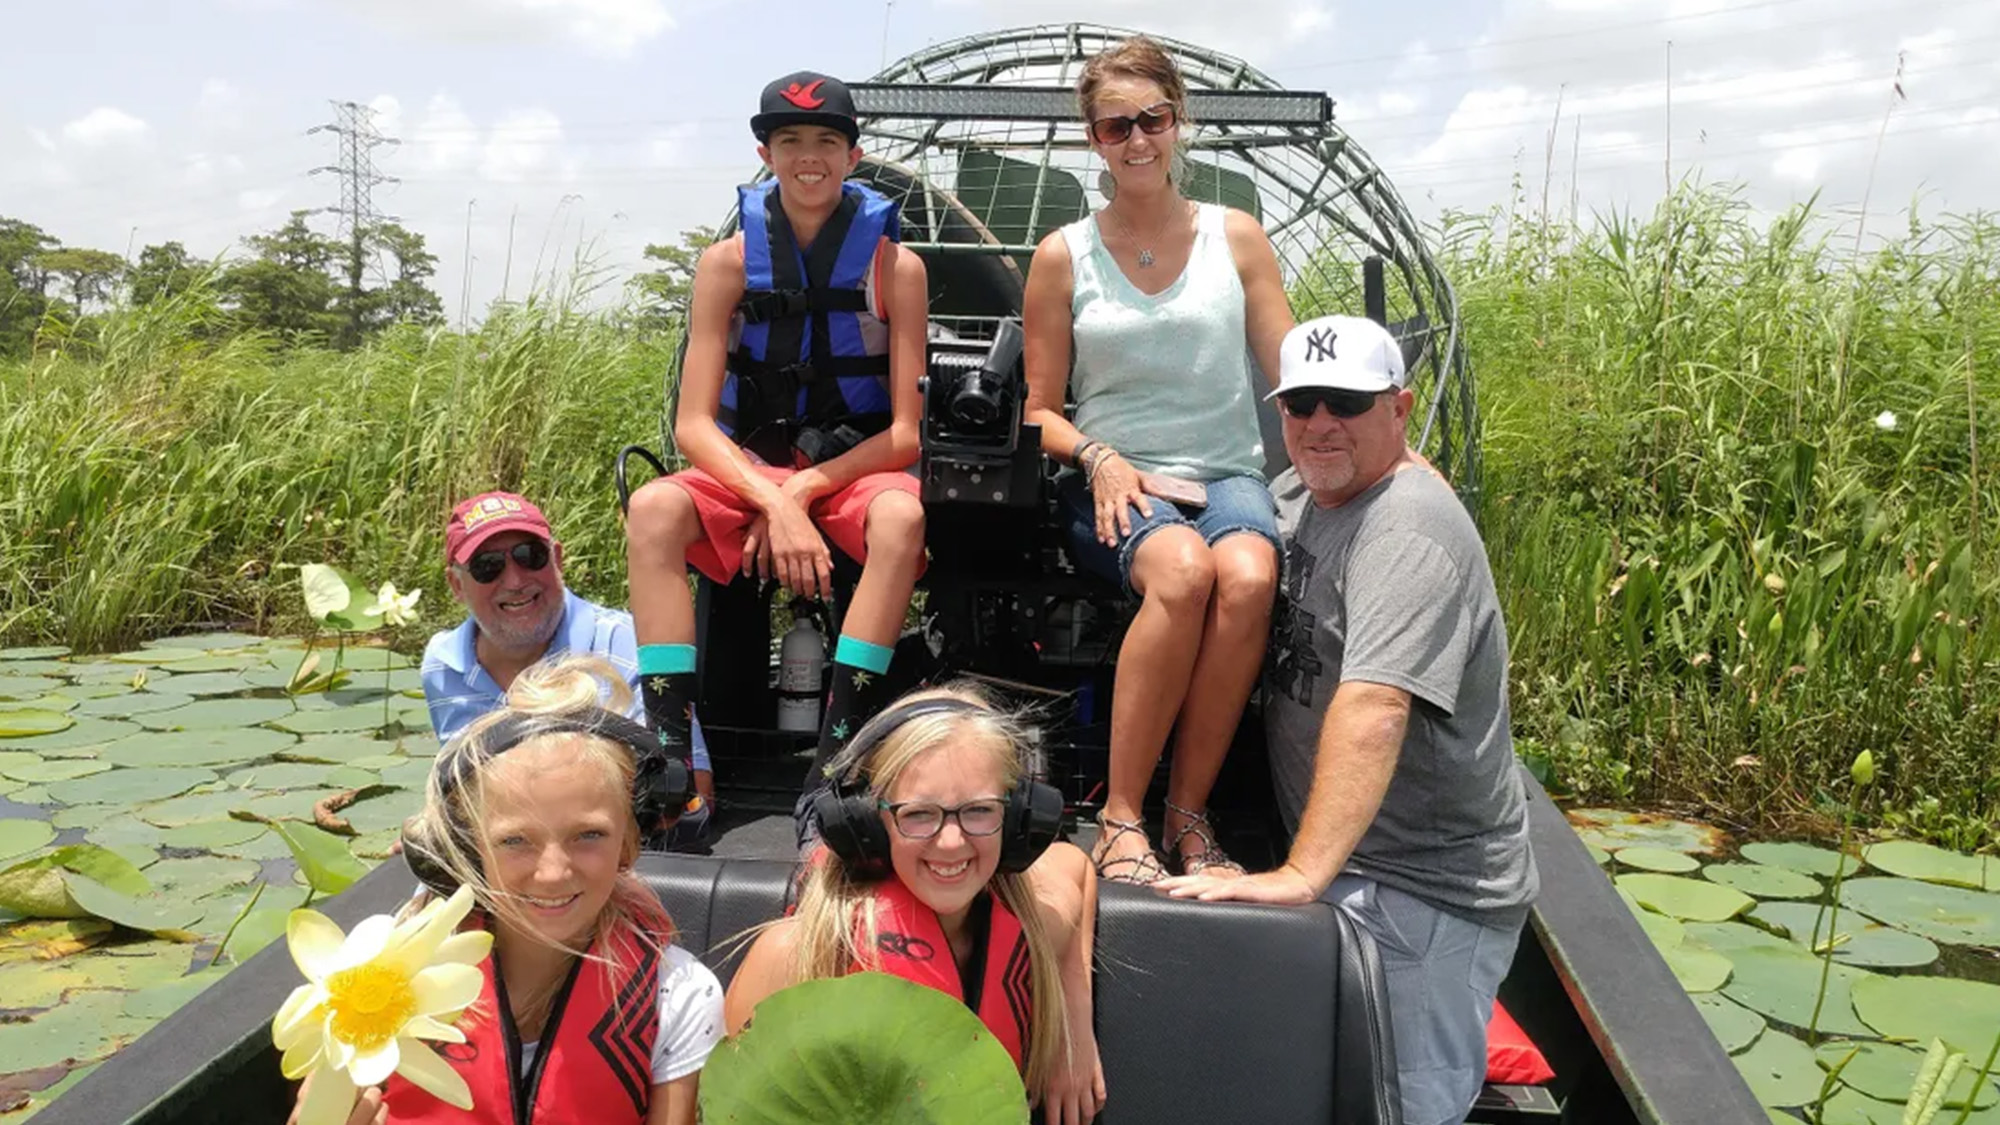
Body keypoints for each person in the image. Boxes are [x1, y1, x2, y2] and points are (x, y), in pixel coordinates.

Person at [1159, 315, 1539, 1125]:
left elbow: (1375, 705)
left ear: (1399, 409)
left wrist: (1300, 877)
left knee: (1394, 1107)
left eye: (1347, 402)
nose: (1319, 423)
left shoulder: (1409, 528)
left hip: (1420, 887)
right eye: (1300, 404)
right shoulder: (1306, 487)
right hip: (1348, 863)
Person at [622, 71, 928, 829]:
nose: (809, 157)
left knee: (900, 523)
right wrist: (768, 493)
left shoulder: (898, 269)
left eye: (827, 141)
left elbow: (904, 434)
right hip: (749, 467)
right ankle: (670, 751)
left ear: (854, 156)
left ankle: (838, 755)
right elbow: (693, 425)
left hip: (852, 467)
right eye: (790, 142)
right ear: (765, 153)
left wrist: (798, 496)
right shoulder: (725, 264)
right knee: (655, 507)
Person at [1021, 37, 1294, 883]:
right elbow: (1037, 412)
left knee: (1247, 572)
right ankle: (1121, 816)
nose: (1137, 140)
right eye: (1115, 126)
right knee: (1180, 569)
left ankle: (1189, 814)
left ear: (1180, 123)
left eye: (1153, 119)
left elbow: (1295, 372)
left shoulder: (1237, 239)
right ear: (1092, 140)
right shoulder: (1064, 255)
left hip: (1225, 475)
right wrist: (1098, 456)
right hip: (1113, 478)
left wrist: (1384, 446)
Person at [289, 655, 725, 1125]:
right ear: (468, 847)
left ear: (628, 842)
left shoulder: (678, 997)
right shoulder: (373, 987)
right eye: (515, 841)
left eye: (589, 835)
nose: (553, 872)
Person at [723, 686, 1106, 1125]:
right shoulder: (795, 956)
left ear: (1019, 819)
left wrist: (1072, 1023)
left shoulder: (1037, 925)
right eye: (919, 814)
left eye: (979, 810)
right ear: (866, 822)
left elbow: (1074, 866)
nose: (951, 840)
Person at [420, 490, 713, 843]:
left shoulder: (631, 644)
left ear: (557, 559)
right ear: (456, 585)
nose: (515, 580)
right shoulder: (442, 664)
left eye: (530, 556)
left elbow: (692, 790)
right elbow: (459, 789)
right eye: (487, 566)